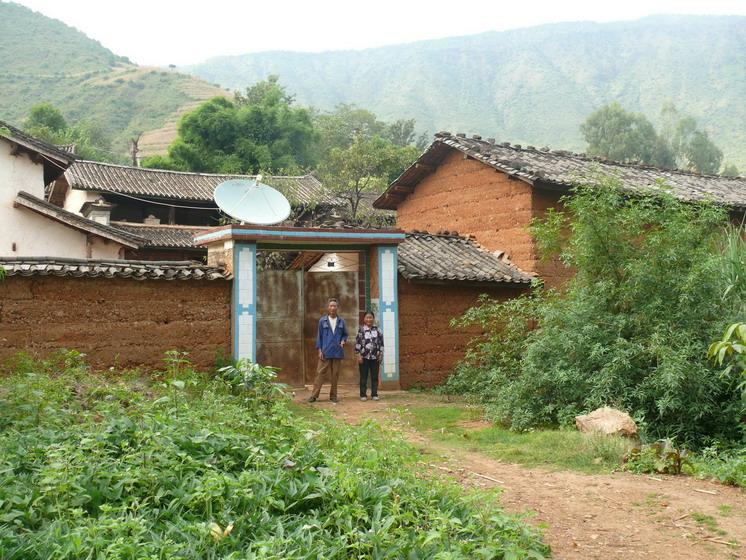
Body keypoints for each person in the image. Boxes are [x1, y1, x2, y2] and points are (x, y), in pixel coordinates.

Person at [308, 298, 348, 403]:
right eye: (331, 306)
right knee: (320, 373)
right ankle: (314, 395)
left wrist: (343, 341)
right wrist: (320, 350)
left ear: (337, 308)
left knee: (335, 375)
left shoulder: (341, 321)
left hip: (337, 351)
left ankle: (333, 396)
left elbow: (345, 334)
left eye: (335, 306)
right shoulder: (322, 321)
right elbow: (319, 336)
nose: (333, 308)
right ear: (328, 307)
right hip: (325, 351)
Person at [355, 311, 383, 401]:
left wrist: (381, 354)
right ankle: (363, 395)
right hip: (364, 357)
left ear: (373, 319)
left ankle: (374, 394)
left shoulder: (377, 330)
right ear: (364, 319)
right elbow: (358, 343)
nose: (369, 319)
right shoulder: (361, 330)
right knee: (364, 376)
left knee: (374, 376)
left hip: (375, 357)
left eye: (370, 317)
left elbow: (381, 343)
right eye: (367, 317)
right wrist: (358, 355)